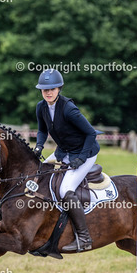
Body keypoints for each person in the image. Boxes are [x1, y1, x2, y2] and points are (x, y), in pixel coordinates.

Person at [34, 69, 100, 252]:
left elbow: (91, 133)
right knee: (39, 172)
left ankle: (84, 238)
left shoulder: (69, 109)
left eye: (52, 89)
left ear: (59, 89)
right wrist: (39, 146)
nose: (48, 92)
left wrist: (81, 158)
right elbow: (42, 130)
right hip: (64, 151)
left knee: (65, 190)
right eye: (45, 89)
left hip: (85, 151)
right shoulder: (41, 107)